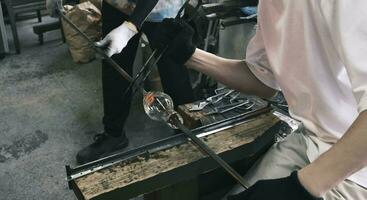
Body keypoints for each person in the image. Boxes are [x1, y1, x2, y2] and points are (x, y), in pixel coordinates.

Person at [151, 1, 367, 199]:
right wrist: (190, 55)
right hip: (310, 140)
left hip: (356, 166)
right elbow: (262, 78)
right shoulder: (270, 5)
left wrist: (302, 186)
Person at [76, 0, 196, 164]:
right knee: (114, 66)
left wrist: (129, 28)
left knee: (172, 67)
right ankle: (113, 133)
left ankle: (188, 129)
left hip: (160, 8)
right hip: (118, 4)